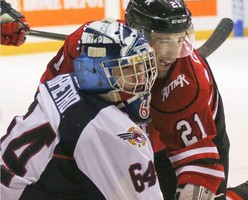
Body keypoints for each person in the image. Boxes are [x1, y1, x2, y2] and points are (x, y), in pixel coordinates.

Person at [2, 0, 248, 200]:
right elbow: (53, 105)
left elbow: (199, 161)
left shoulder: (186, 82)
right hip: (114, 142)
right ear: (137, 31)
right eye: (163, 42)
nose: (173, 54)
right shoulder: (85, 45)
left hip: (166, 142)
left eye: (180, 40)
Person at [0, 20, 163, 199]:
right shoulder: (111, 130)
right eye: (127, 68)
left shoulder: (65, 81)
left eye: (141, 64)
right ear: (98, 73)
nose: (141, 77)